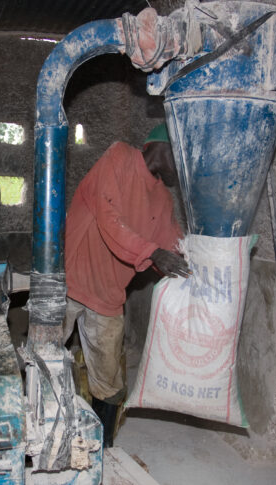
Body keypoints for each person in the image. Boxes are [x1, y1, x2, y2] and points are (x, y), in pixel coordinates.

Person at [62, 123, 190, 447]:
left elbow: (173, 247)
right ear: (163, 147)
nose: (183, 167)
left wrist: (202, 264)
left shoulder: (163, 199)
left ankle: (100, 449)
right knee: (43, 360)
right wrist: (152, 252)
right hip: (67, 281)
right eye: (182, 155)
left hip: (107, 295)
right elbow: (109, 219)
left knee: (109, 383)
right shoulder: (119, 156)